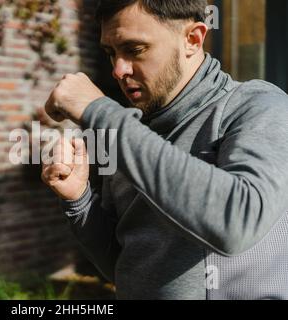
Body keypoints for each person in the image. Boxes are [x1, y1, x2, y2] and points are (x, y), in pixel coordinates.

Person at [41, 0, 288, 300]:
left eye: (134, 49)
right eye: (111, 53)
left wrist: (99, 111)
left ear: (193, 39)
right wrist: (79, 201)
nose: (119, 70)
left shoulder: (257, 107)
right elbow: (127, 266)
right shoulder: (129, 131)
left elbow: (236, 224)